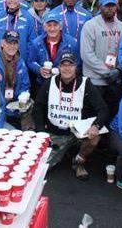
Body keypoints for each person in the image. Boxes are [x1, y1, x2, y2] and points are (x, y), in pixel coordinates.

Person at [32, 49, 109, 179]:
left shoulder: (86, 83)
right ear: (59, 67)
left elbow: (103, 109)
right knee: (40, 169)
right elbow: (38, 107)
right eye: (64, 65)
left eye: (70, 65)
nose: (67, 68)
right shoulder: (49, 83)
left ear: (76, 67)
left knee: (94, 138)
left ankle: (78, 161)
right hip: (55, 132)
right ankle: (59, 154)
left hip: (77, 132)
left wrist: (96, 126)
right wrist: (41, 131)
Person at [80, 0, 122, 115]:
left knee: (111, 116)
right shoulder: (90, 25)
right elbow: (86, 54)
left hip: (115, 81)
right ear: (100, 7)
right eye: (106, 6)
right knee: (94, 117)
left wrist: (118, 70)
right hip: (95, 81)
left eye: (112, 6)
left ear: (116, 7)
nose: (109, 9)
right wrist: (107, 72)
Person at [0, 31, 31, 127]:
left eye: (15, 43)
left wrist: (24, 96)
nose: (12, 46)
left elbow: (26, 85)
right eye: (9, 43)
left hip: (13, 107)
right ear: (2, 43)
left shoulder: (21, 62)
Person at [27, 12, 79, 85]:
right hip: (43, 83)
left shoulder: (71, 42)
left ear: (60, 26)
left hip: (65, 83)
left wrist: (64, 70)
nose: (52, 29)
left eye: (55, 25)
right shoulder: (36, 43)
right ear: (44, 27)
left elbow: (77, 63)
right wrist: (39, 70)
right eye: (49, 25)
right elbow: (31, 61)